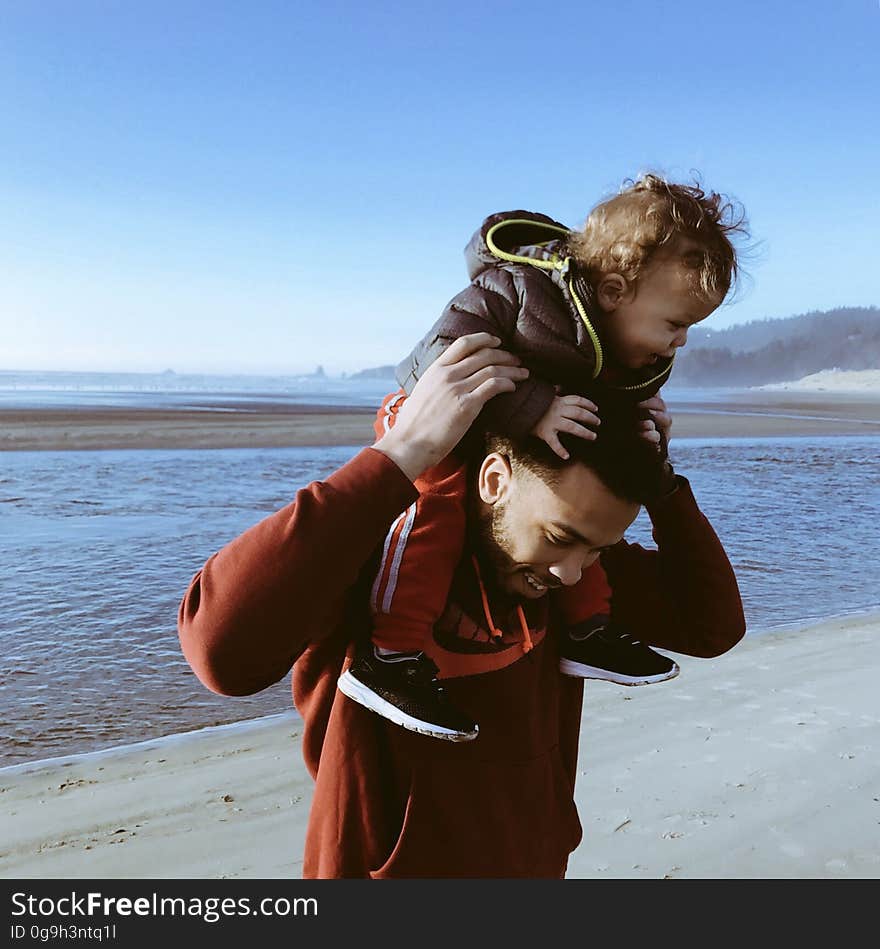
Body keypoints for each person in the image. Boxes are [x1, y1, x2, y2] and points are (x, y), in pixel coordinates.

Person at [178, 333, 745, 879]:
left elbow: (711, 626)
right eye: (559, 537)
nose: (571, 570)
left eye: (598, 548)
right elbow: (221, 655)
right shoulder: (377, 555)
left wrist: (663, 486)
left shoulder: (573, 573)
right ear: (495, 480)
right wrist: (400, 454)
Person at [342, 173, 748, 740]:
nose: (680, 341)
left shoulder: (620, 346)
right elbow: (432, 361)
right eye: (676, 323)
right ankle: (390, 655)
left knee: (580, 531)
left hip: (522, 451)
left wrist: (649, 456)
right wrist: (531, 409)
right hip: (433, 427)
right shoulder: (516, 290)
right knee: (433, 513)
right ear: (613, 291)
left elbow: (713, 625)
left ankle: (586, 631)